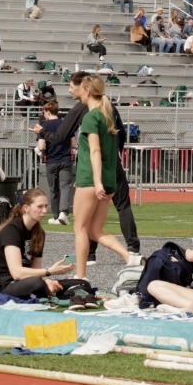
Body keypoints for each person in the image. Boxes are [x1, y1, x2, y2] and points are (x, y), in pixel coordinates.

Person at [70, 73, 136, 279]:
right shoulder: (106, 114)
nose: (76, 90)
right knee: (95, 231)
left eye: (80, 88)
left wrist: (97, 181)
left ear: (87, 91)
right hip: (108, 180)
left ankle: (80, 276)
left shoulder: (91, 117)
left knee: (80, 228)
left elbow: (95, 151)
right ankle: (130, 258)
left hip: (91, 179)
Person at [0, 188, 76, 299]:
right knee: (37, 283)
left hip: (29, 280)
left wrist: (47, 280)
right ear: (26, 208)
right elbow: (17, 273)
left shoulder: (39, 233)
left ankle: (57, 292)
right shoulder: (12, 230)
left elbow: (36, 269)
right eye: (40, 207)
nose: (44, 211)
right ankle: (59, 294)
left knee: (81, 283)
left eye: (46, 206)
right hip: (8, 284)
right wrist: (49, 272)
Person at [37, 101, 74, 225]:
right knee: (65, 187)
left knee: (54, 190)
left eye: (44, 112)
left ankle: (55, 215)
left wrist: (39, 149)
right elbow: (74, 144)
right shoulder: (65, 124)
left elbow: (41, 146)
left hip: (51, 161)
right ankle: (64, 213)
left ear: (47, 111)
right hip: (65, 159)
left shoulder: (43, 126)